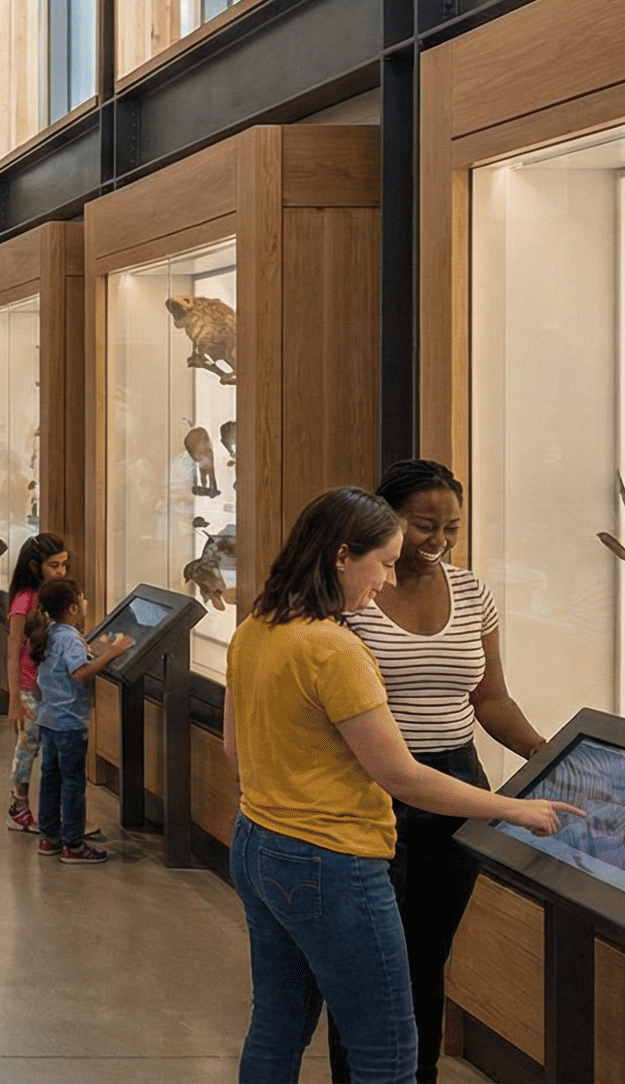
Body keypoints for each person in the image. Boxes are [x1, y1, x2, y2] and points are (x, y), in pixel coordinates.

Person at [226, 487, 578, 1084]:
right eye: (383, 563)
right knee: (387, 1051)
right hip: (334, 862)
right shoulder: (335, 649)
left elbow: (235, 746)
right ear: (342, 555)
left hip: (259, 843)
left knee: (278, 1026)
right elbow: (401, 775)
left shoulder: (257, 628)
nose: (389, 582)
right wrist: (514, 810)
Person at [326, 461, 552, 1084]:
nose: (439, 541)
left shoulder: (473, 592)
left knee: (428, 958)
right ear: (385, 518)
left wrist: (545, 752)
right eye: (424, 525)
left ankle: (415, 1075)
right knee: (373, 963)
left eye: (451, 527)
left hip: (457, 788)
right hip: (373, 788)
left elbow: (491, 699)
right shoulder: (354, 593)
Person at [31, 575, 130, 863]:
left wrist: (97, 649)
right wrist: (113, 652)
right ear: (73, 608)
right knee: (73, 784)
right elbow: (80, 672)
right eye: (83, 598)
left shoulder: (51, 632)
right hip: (70, 724)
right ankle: (73, 846)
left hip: (49, 720)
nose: (86, 602)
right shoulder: (69, 637)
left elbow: (77, 658)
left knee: (50, 779)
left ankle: (49, 838)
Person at [2, 533, 67, 832]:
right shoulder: (24, 602)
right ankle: (19, 805)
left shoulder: (56, 596)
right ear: (35, 566)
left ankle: (55, 811)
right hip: (29, 687)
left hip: (52, 687)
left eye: (64, 565)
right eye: (54, 566)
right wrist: (14, 699)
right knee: (27, 747)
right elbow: (13, 650)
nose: (61, 572)